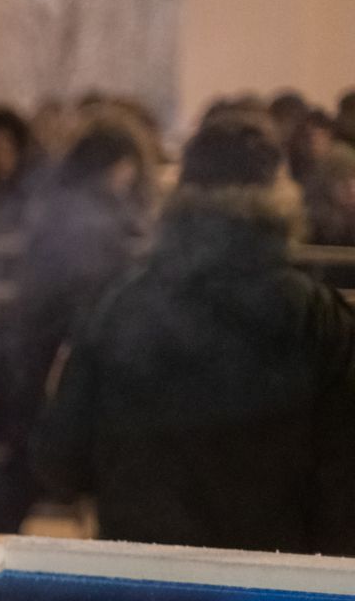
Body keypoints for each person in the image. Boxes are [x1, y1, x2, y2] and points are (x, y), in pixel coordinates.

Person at [32, 116, 355, 553]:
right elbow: (343, 467)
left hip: (144, 571)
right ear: (281, 199)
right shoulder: (316, 317)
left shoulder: (124, 306)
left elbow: (62, 458)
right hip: (275, 577)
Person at [0, 122, 150, 533]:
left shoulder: (60, 209)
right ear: (117, 166)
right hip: (66, 353)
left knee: (27, 462)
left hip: (42, 350)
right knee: (39, 459)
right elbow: (93, 288)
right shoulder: (97, 219)